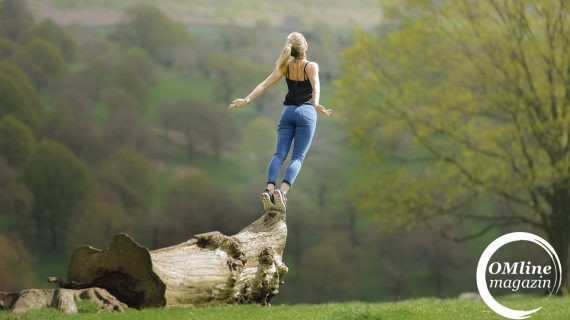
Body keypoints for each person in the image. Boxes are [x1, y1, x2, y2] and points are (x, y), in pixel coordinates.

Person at [228, 32, 332, 211]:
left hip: (288, 113)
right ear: (304, 47)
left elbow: (264, 84)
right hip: (306, 113)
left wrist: (246, 100)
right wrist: (315, 104)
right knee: (298, 156)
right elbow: (316, 86)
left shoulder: (286, 66)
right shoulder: (311, 66)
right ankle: (282, 192)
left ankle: (269, 189)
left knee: (279, 154)